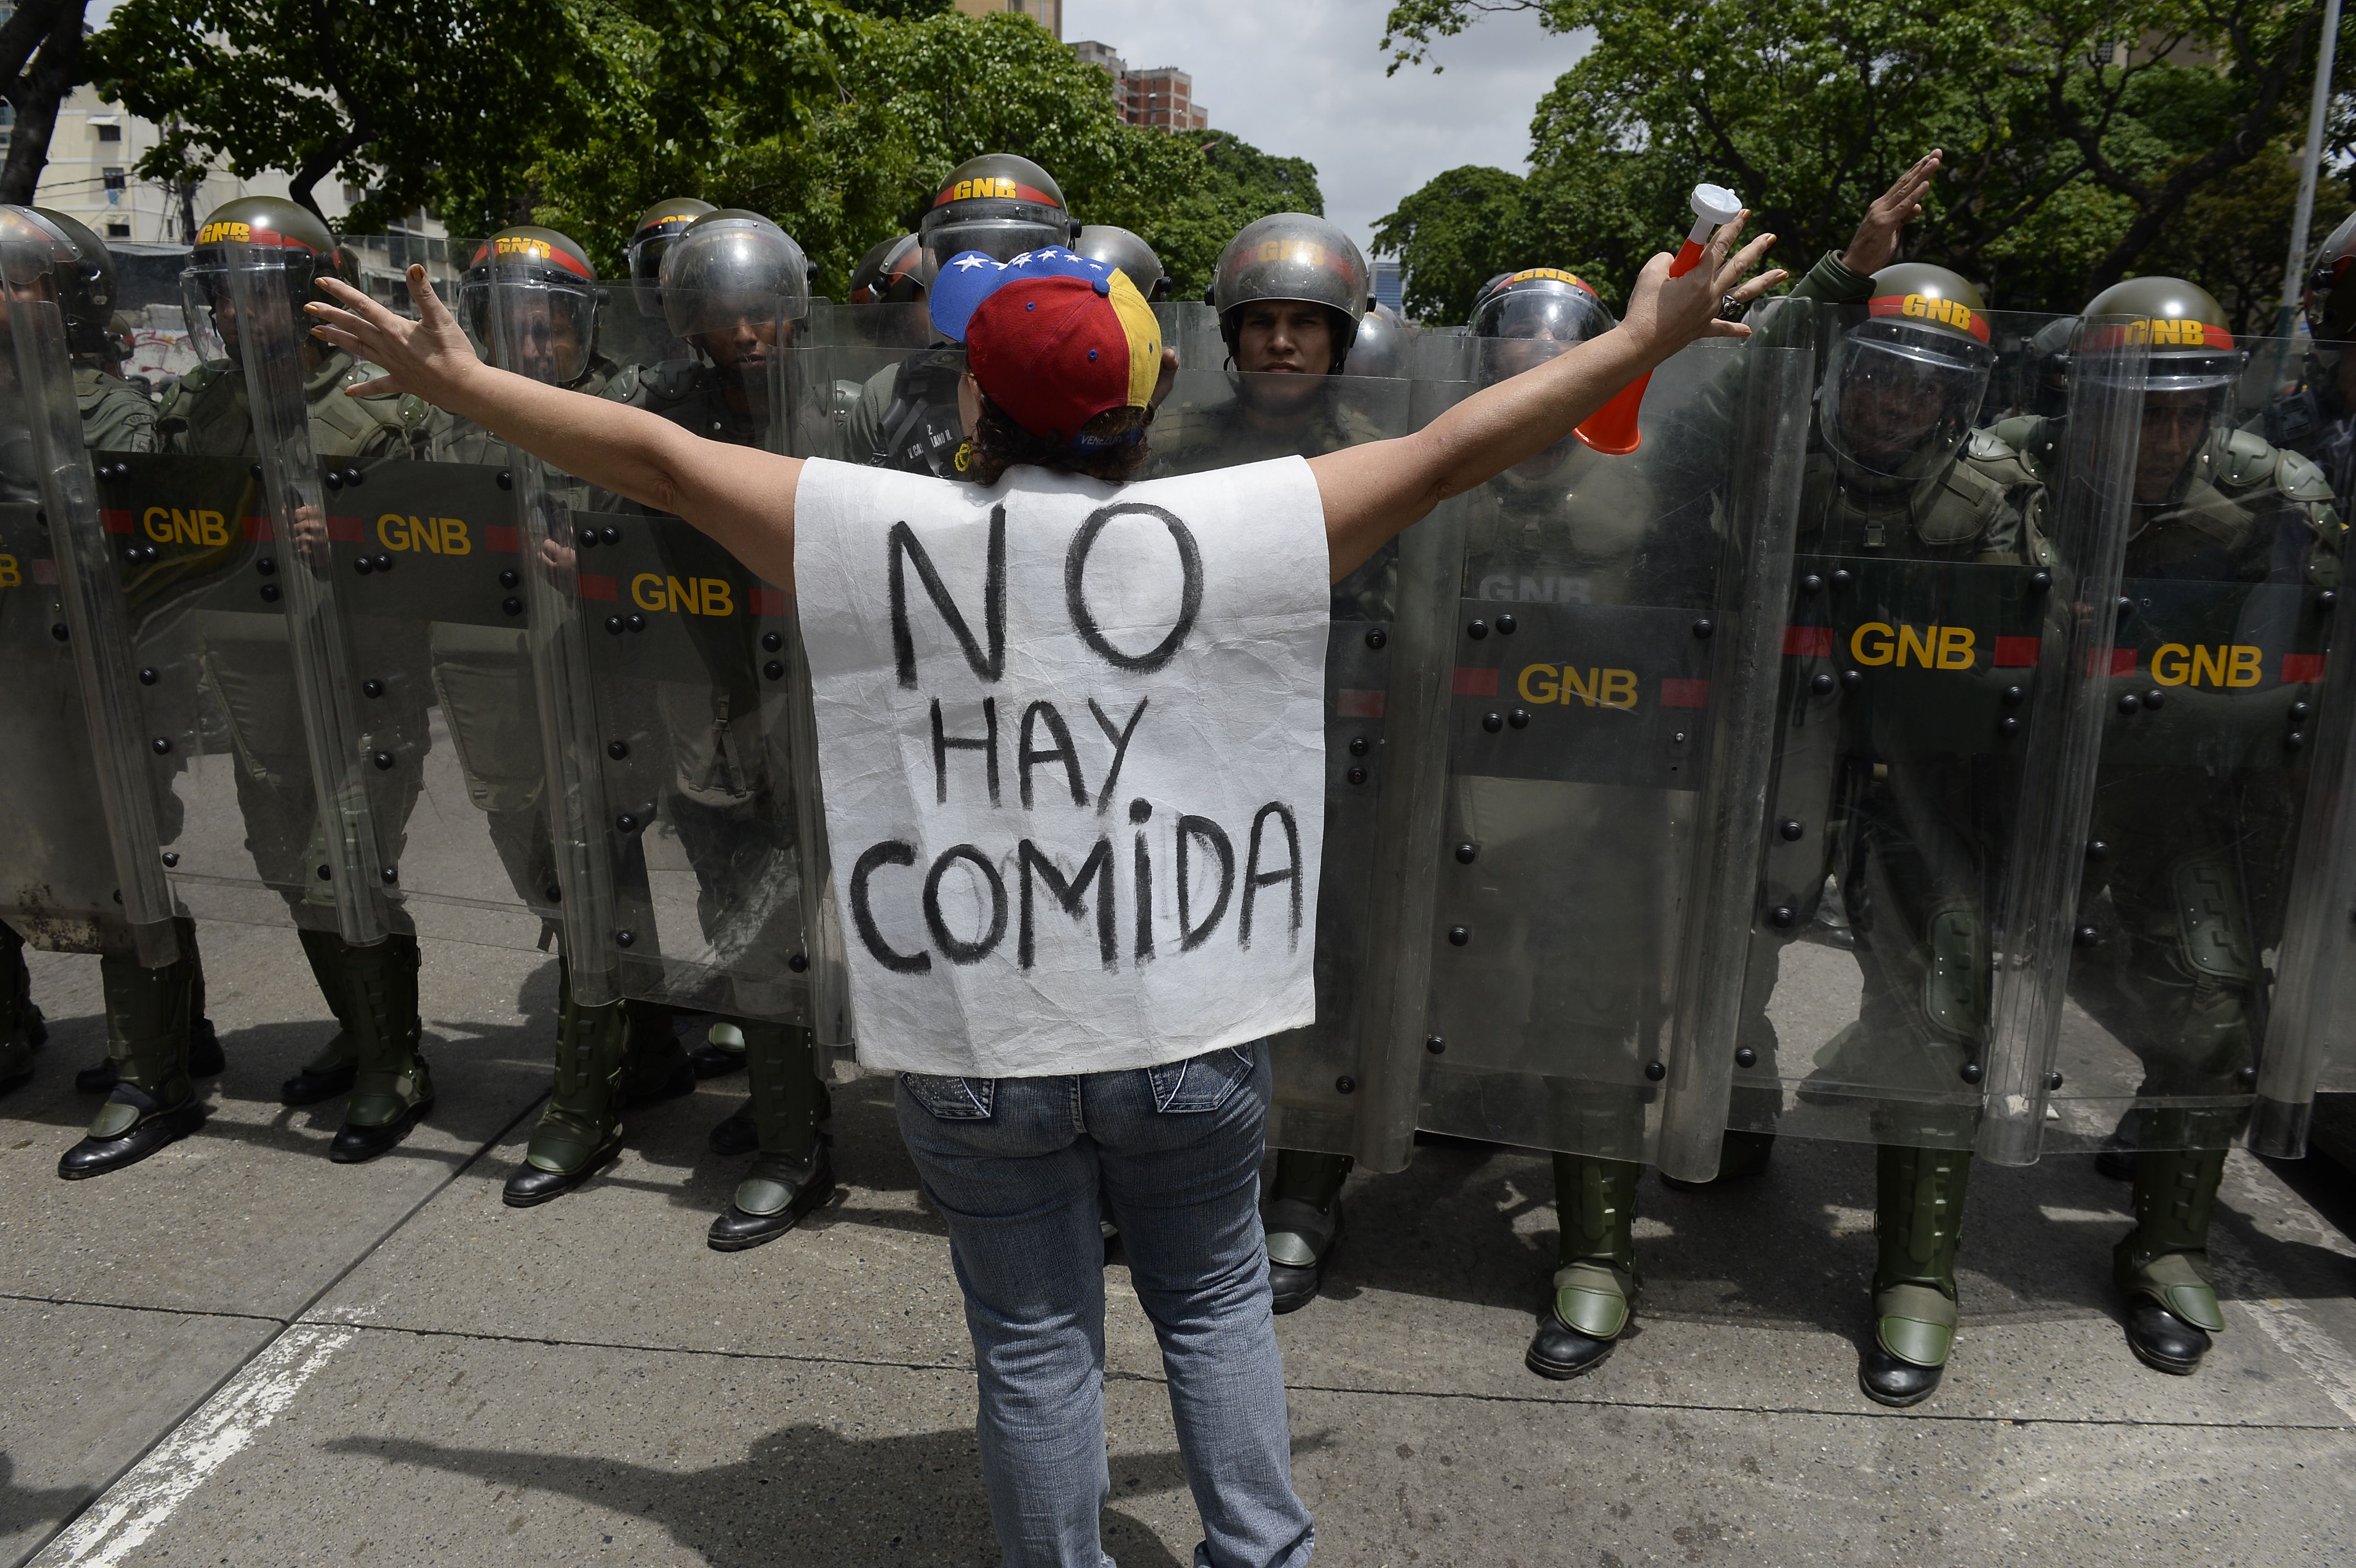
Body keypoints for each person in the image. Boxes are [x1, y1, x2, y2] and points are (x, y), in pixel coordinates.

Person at [306, 213, 1778, 1568]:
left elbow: (654, 461)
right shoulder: (1246, 527)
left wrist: (458, 380)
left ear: (968, 408)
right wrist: (1637, 340)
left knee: (1031, 1344)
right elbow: (1463, 443)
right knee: (1210, 1306)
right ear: (1142, 416)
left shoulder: (872, 530)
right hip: (1188, 1032)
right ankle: (1260, 1550)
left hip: (976, 1040)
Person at [2012, 279, 2341, 1377]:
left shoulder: (2274, 500)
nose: (2160, 436)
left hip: (2170, 785)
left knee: (2209, 1019)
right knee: (1934, 999)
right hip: (2005, 775)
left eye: (2182, 411)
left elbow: (2309, 661)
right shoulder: (2013, 468)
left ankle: (2167, 1250)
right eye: (2132, 408)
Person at [151, 196, 438, 1165]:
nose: (238, 316)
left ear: (311, 297)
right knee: (285, 858)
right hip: (248, 669)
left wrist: (356, 541)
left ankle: (394, 1063)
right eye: (222, 299)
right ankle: (361, 1031)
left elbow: (449, 548)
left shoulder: (386, 401)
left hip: (365, 676)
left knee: (341, 863)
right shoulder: (203, 403)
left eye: (257, 296)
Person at [423, 224, 699, 1207]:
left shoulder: (627, 413)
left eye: (553, 327)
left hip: (610, 681)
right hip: (493, 680)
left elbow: (684, 542)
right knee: (543, 861)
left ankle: (582, 1105)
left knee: (592, 874)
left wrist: (605, 568)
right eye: (515, 327)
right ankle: (656, 1040)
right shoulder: (448, 418)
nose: (535, 347)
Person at [599, 207, 839, 1248]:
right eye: (721, 313)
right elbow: (583, 482)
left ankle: (808, 1128)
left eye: (760, 313)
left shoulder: (838, 408)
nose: (745, 334)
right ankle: (792, 1120)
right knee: (737, 900)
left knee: (818, 914)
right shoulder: (657, 405)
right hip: (704, 688)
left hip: (823, 692)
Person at [842, 153, 1079, 477]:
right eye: (966, 253)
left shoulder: (1092, 385)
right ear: (940, 264)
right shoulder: (890, 397)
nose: (994, 274)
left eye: (1018, 254)